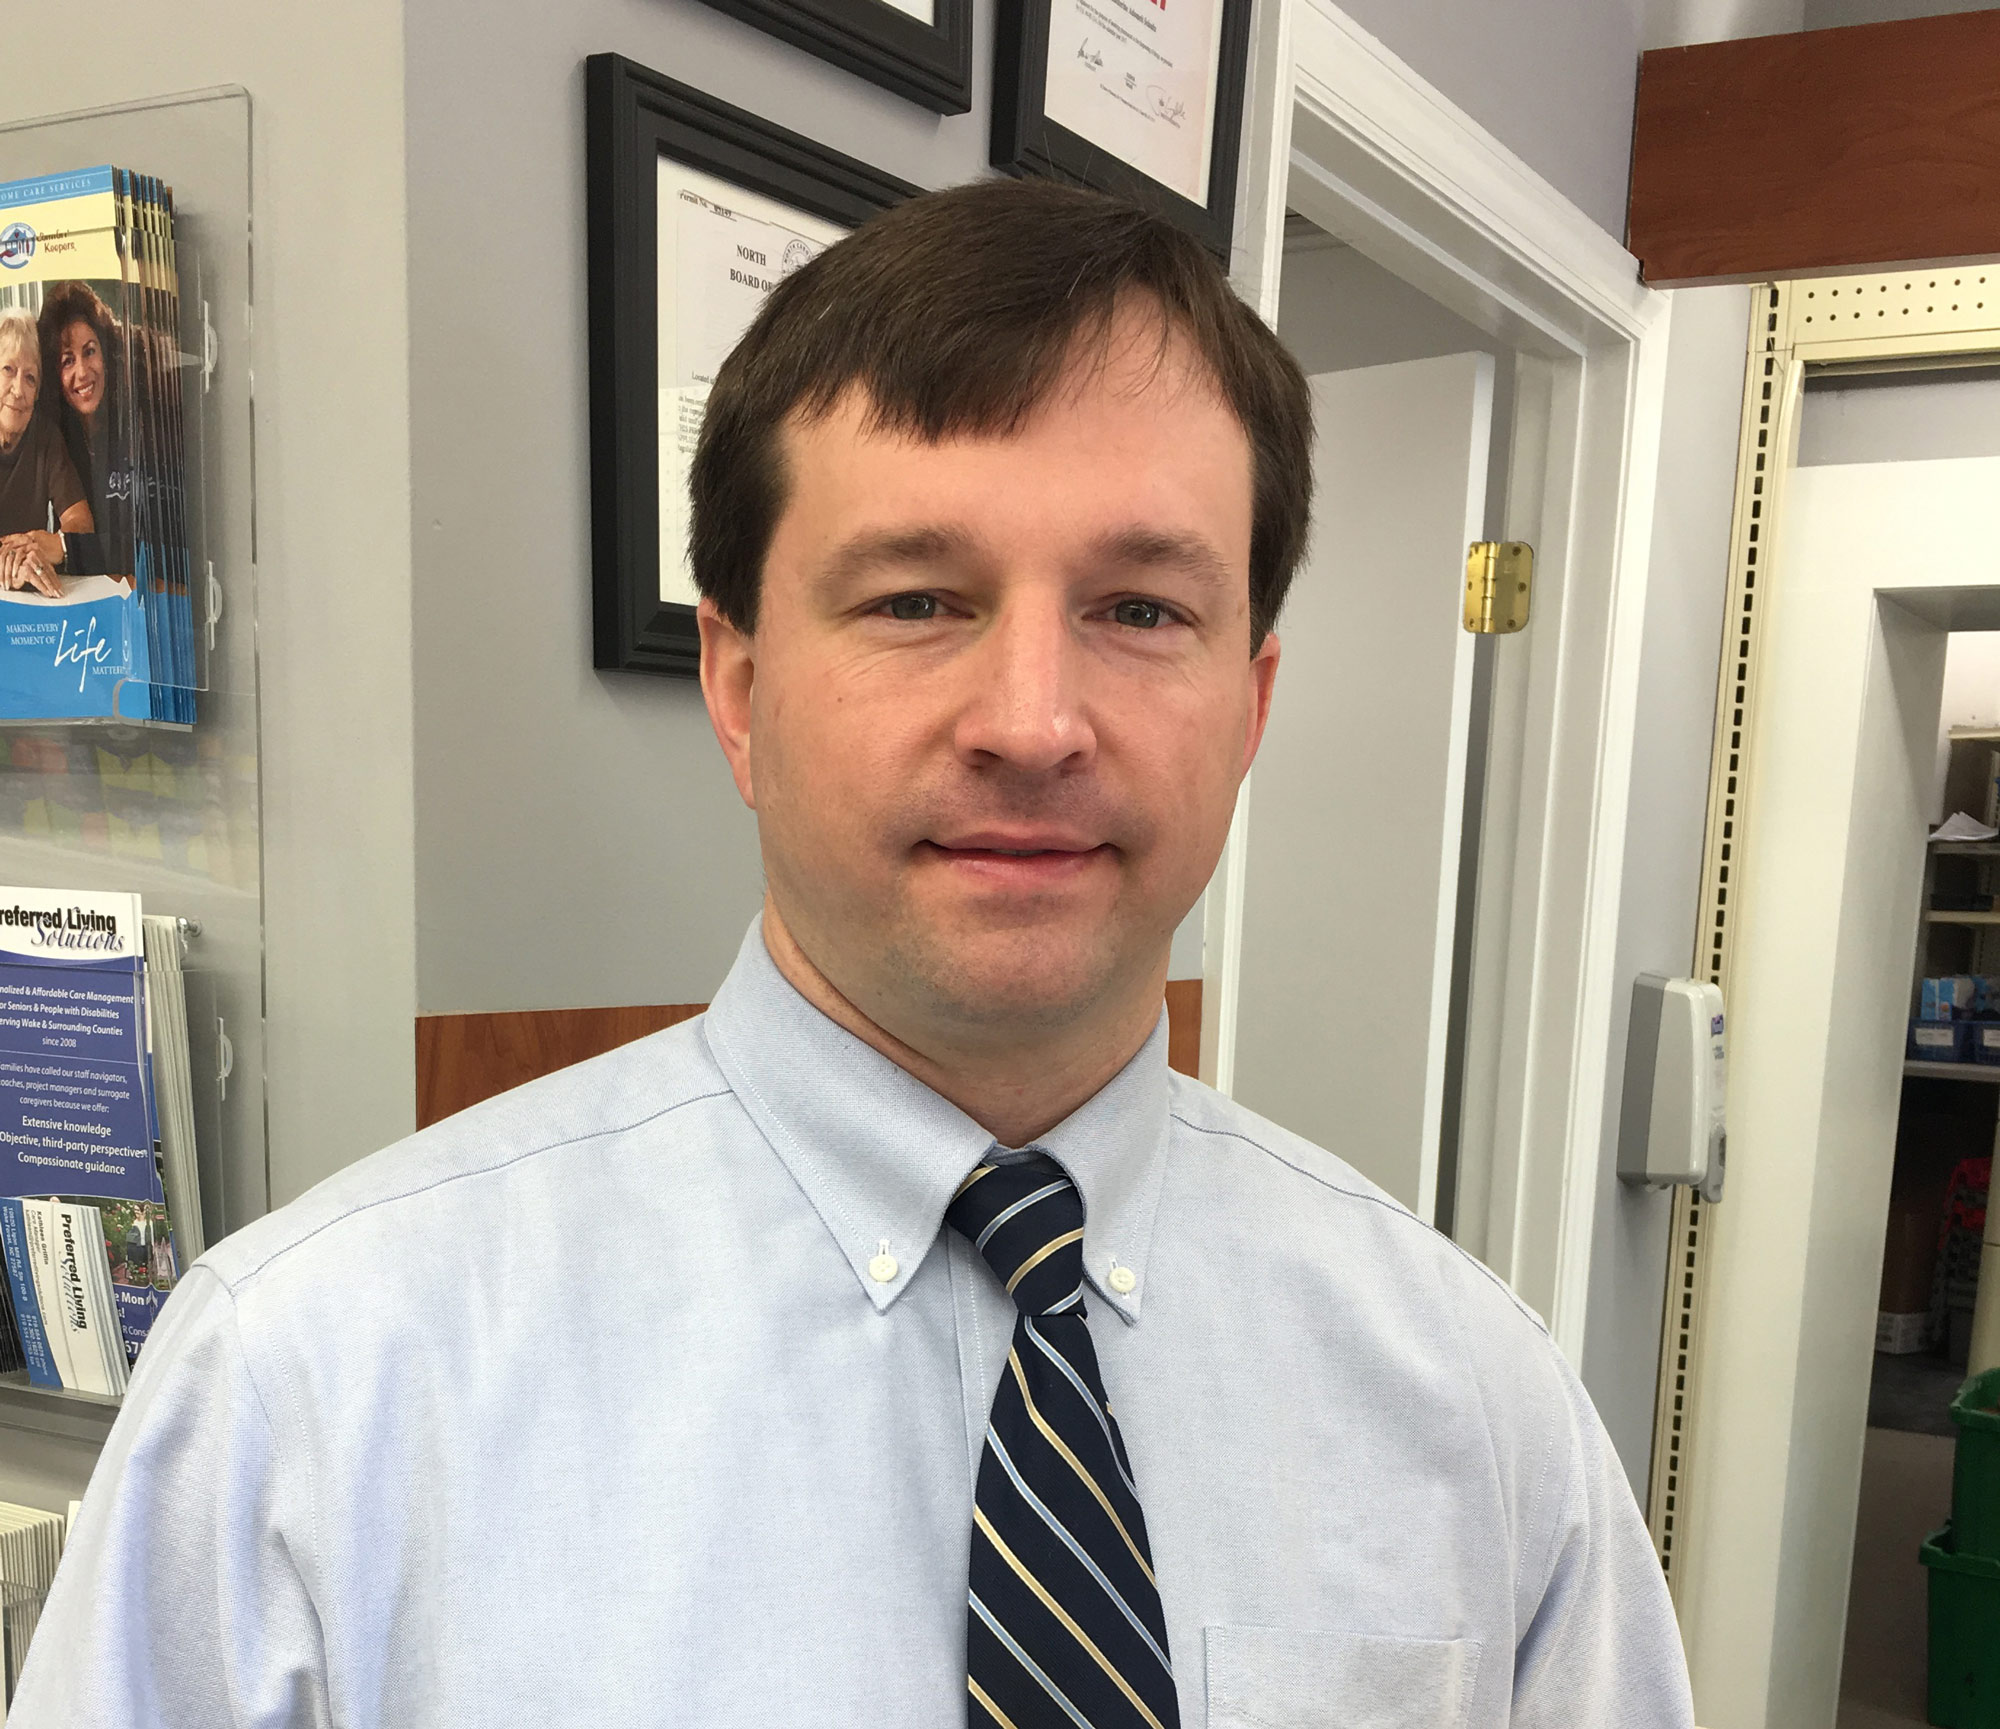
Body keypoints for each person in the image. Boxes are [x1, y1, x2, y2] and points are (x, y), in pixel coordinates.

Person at [11, 179, 1695, 1727]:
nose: (1034, 721)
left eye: (1141, 609)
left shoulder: (1479, 1412)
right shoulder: (312, 1392)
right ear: (740, 687)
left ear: (1249, 705)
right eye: (916, 600)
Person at [0, 307, 93, 600]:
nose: (18, 390)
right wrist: (11, 565)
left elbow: (80, 521)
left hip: (30, 598)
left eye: (30, 378)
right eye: (8, 370)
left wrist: (57, 545)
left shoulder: (45, 436)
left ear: (38, 392)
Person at [37, 280, 126, 579]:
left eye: (89, 352)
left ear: (106, 352)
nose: (82, 372)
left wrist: (64, 547)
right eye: (67, 361)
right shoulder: (55, 438)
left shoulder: (133, 425)